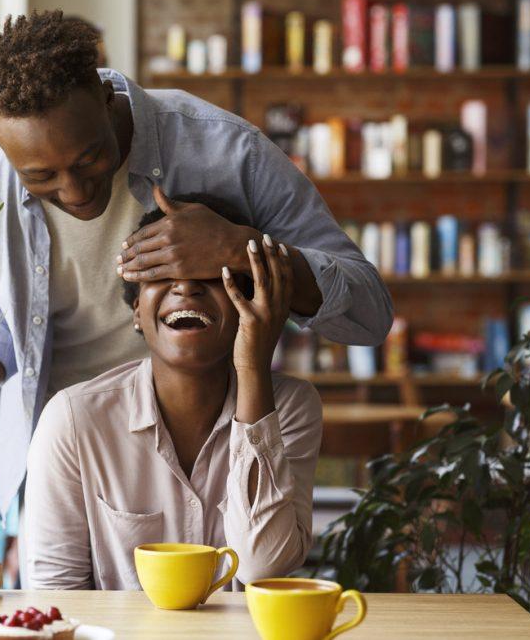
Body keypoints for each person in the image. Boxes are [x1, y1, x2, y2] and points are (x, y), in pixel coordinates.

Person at [0, 10, 391, 531]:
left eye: (89, 158)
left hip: (210, 462)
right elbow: (13, 308)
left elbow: (368, 313)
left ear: (104, 93)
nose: (74, 192)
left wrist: (238, 245)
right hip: (65, 462)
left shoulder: (225, 151)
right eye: (42, 177)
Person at [24, 195, 322, 589]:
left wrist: (253, 366)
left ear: (252, 302)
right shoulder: (74, 421)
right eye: (161, 274)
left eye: (213, 274)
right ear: (135, 311)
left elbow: (262, 567)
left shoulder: (289, 407)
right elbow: (55, 595)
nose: (185, 287)